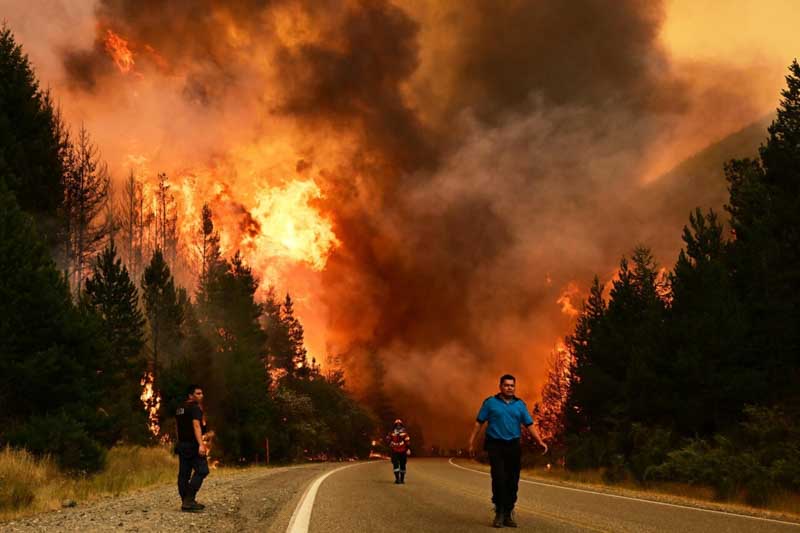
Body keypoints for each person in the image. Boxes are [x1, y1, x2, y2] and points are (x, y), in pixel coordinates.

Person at [468, 374, 548, 528]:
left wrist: (539, 440)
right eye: (506, 385)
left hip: (513, 445)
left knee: (513, 480)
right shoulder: (490, 403)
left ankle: (509, 512)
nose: (509, 388)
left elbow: (529, 424)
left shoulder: (520, 405)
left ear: (514, 387)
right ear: (500, 387)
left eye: (512, 385)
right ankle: (499, 511)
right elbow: (479, 423)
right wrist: (471, 442)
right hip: (495, 445)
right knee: (498, 478)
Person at [175, 384, 209, 512]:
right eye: (198, 393)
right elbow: (196, 426)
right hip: (192, 445)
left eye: (201, 393)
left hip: (182, 445)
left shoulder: (179, 408)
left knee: (184, 474)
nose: (201, 396)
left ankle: (185, 502)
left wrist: (179, 443)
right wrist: (201, 444)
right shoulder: (194, 408)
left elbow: (177, 427)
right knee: (202, 470)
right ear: (190, 395)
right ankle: (189, 500)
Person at [387, 418, 411, 484]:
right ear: (394, 425)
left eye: (399, 424)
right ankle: (397, 479)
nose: (398, 426)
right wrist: (389, 443)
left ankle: (402, 479)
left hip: (403, 451)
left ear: (401, 425)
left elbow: (407, 441)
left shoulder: (404, 433)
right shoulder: (391, 433)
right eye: (397, 424)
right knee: (395, 465)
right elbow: (388, 440)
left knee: (403, 465)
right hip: (395, 451)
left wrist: (408, 449)